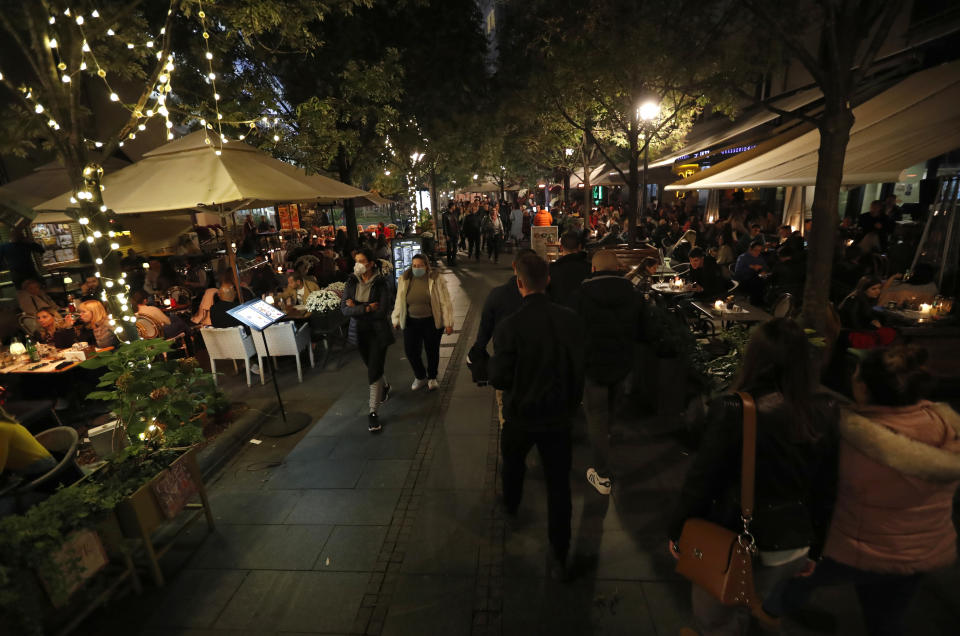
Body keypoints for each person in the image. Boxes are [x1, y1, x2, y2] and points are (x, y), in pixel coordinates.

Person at [668, 318, 838, 636]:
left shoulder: (735, 409)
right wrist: (816, 547)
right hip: (794, 541)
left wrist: (678, 530)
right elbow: (827, 485)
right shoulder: (825, 407)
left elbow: (702, 481)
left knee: (713, 617)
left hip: (737, 538)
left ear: (754, 357)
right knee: (762, 606)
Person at [777, 346, 960, 636]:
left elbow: (822, 493)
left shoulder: (850, 434)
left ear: (863, 388)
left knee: (789, 581)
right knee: (886, 622)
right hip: (918, 553)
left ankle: (770, 614)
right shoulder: (947, 426)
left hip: (856, 549)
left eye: (857, 373)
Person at [489, 253, 585, 580]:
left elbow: (500, 378)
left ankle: (512, 507)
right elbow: (579, 370)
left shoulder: (509, 327)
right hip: (558, 418)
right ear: (548, 281)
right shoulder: (570, 320)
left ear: (519, 284)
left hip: (521, 416)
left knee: (513, 465)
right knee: (559, 487)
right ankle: (560, 553)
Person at [568, 249, 639, 495]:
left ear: (594, 269)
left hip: (593, 367)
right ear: (618, 269)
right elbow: (644, 328)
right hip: (622, 365)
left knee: (596, 417)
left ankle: (602, 474)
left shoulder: (580, 296)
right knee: (611, 412)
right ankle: (608, 439)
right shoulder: (633, 295)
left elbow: (573, 332)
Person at [342, 248, 394, 432]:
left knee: (373, 370)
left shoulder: (381, 284)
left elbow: (382, 311)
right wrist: (365, 308)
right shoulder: (351, 282)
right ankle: (385, 385)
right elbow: (345, 309)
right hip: (359, 333)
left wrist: (355, 306)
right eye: (356, 260)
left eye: (362, 261)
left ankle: (373, 412)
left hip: (378, 333)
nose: (358, 264)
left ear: (371, 263)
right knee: (373, 366)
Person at [391, 254, 454, 391]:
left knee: (432, 350)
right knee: (411, 351)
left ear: (426, 266)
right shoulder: (405, 279)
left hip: (431, 321)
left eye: (420, 265)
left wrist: (448, 322)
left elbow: (445, 301)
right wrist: (396, 318)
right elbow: (399, 301)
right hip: (411, 322)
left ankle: (432, 377)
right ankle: (420, 376)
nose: (417, 268)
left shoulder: (435, 279)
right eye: (414, 265)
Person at [838, 275, 898, 349]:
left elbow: (867, 315)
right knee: (887, 334)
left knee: (890, 332)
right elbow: (854, 322)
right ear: (864, 289)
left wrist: (874, 320)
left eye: (879, 288)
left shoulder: (866, 299)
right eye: (873, 289)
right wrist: (872, 326)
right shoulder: (854, 300)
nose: (878, 291)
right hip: (851, 334)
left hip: (860, 330)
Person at [547, 232, 591, 305]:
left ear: (560, 247)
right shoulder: (589, 267)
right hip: (585, 312)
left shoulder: (552, 268)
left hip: (560, 311)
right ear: (580, 246)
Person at [733, 240, 768, 305]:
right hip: (743, 280)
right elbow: (738, 272)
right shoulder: (743, 258)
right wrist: (751, 267)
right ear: (750, 249)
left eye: (759, 251)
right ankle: (756, 302)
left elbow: (765, 267)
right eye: (755, 250)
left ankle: (760, 301)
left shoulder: (760, 258)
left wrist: (763, 271)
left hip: (756, 278)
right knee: (757, 283)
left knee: (763, 281)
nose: (758, 252)